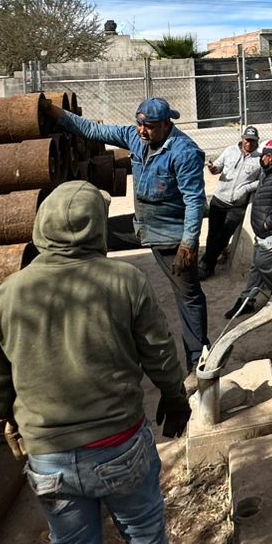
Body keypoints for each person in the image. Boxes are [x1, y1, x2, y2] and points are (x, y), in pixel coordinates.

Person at [0, 180, 193, 544]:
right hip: (119, 446)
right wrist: (175, 395)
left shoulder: (9, 295)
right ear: (98, 226)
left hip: (50, 457)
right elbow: (158, 349)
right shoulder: (125, 282)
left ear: (42, 228)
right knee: (143, 531)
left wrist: (5, 417)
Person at [48, 97, 208, 369]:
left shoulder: (184, 152)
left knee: (188, 295)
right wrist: (56, 114)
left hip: (170, 236)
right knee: (94, 232)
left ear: (167, 123)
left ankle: (199, 359)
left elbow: (194, 201)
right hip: (141, 226)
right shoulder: (135, 138)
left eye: (150, 126)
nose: (143, 131)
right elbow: (94, 131)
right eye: (140, 124)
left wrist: (188, 244)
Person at [227, 139, 272, 319]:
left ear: (270, 157)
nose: (260, 159)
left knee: (263, 265)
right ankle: (247, 300)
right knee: (256, 267)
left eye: (263, 157)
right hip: (263, 230)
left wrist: (268, 223)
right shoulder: (269, 170)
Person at [201, 125, 262, 279]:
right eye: (247, 140)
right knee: (213, 234)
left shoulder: (259, 159)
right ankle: (210, 262)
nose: (249, 143)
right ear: (242, 139)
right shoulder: (230, 151)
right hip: (219, 200)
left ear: (257, 142)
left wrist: (246, 187)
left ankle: (206, 264)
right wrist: (213, 168)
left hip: (237, 205)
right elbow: (218, 167)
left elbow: (262, 181)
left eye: (253, 141)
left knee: (224, 235)